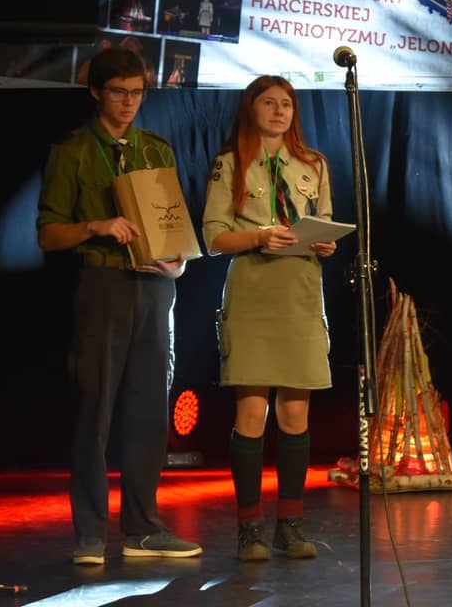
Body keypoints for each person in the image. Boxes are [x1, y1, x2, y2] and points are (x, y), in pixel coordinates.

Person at [37, 46, 201, 565]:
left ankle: (143, 528)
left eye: (136, 93)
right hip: (103, 284)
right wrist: (96, 226)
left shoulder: (155, 149)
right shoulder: (73, 152)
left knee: (149, 409)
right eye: (118, 92)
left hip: (155, 287)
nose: (129, 102)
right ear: (96, 92)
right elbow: (48, 234)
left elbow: (173, 224)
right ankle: (90, 534)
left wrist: (177, 264)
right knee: (96, 407)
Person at [202, 75, 337, 561]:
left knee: (296, 412)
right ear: (250, 108)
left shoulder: (314, 163)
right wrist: (260, 236)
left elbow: (324, 222)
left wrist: (324, 242)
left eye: (287, 104)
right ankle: (250, 528)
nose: (279, 111)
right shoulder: (230, 163)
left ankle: (291, 525)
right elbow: (214, 236)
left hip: (301, 291)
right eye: (269, 103)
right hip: (254, 292)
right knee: (252, 411)